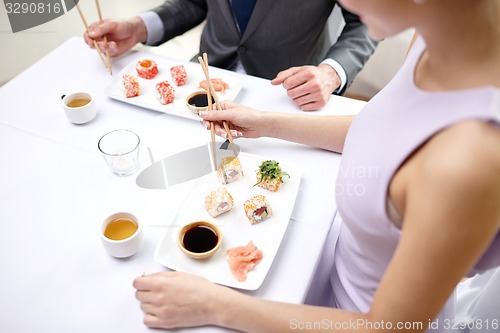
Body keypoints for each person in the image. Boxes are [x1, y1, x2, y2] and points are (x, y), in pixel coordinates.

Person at [133, 0, 500, 331]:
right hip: (329, 261)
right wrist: (266, 122)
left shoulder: (471, 157)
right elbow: (386, 133)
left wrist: (215, 305)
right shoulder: (440, 33)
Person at [83, 0, 377, 111]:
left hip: (284, 95)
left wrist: (331, 73)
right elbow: (195, 3)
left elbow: (370, 21)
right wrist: (138, 28)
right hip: (203, 80)